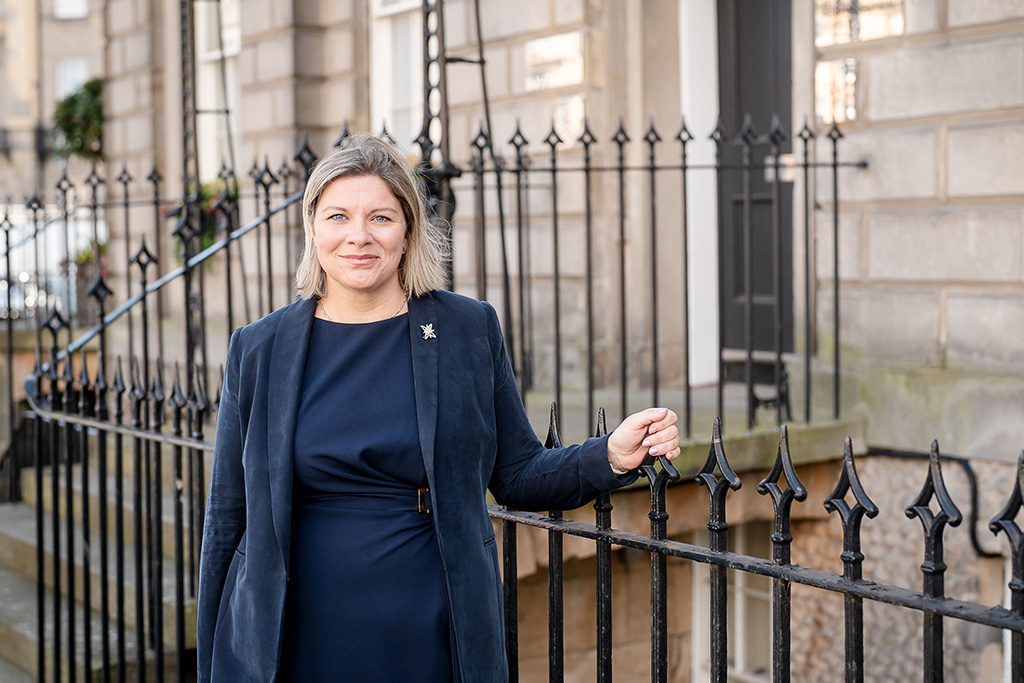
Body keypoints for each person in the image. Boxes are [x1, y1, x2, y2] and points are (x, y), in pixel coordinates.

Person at [196, 133, 680, 683]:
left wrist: (611, 456)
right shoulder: (258, 348)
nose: (358, 236)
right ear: (312, 228)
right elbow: (226, 519)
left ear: (407, 231)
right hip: (294, 638)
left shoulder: (465, 329)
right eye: (338, 217)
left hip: (429, 631)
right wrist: (211, 658)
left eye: (380, 218)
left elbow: (517, 474)